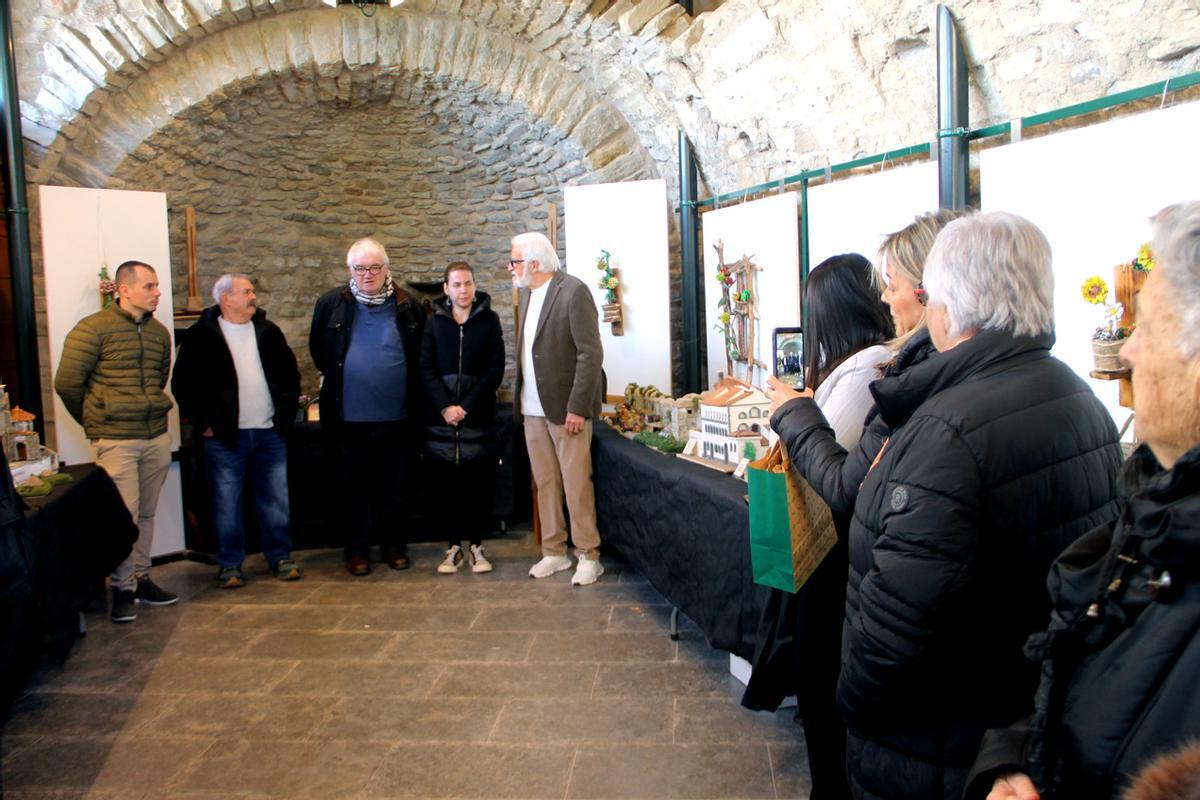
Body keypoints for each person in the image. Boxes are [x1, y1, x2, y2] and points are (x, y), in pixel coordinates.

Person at [833, 212, 1123, 800]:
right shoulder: (1078, 395)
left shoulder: (945, 430)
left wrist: (850, 702)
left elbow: (893, 628)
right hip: (1015, 725)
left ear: (949, 304)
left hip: (937, 745)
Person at [964, 202, 1200, 800]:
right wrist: (1018, 761)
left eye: (1146, 327)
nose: (1127, 353)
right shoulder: (1159, 510)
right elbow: (1086, 674)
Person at [746, 253, 894, 800]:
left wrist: (792, 410)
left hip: (833, 552)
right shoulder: (861, 365)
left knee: (821, 677)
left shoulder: (867, 368)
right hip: (837, 548)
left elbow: (832, 464)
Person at [54, 260, 178, 623]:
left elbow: (159, 378)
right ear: (124, 289)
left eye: (157, 286)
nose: (157, 293)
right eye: (150, 286)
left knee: (146, 514)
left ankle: (140, 579)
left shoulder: (158, 333)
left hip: (154, 434)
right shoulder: (92, 329)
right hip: (116, 439)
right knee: (122, 517)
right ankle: (122, 589)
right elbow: (67, 383)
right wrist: (97, 420)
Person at [172, 273, 302, 588]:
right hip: (226, 437)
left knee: (275, 500)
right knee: (226, 503)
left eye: (252, 291)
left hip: (269, 432)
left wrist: (284, 415)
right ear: (226, 298)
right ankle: (230, 564)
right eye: (246, 291)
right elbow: (183, 385)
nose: (253, 296)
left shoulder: (269, 332)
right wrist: (203, 424)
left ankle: (280, 557)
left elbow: (290, 375)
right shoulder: (202, 336)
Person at [309, 238, 424, 576]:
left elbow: (420, 353)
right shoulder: (331, 304)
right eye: (360, 268)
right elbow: (320, 351)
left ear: (387, 269)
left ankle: (394, 547)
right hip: (348, 419)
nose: (367, 274)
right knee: (352, 489)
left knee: (395, 488)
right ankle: (357, 551)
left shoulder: (409, 304)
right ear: (350, 271)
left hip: (398, 417)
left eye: (375, 267)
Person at [509, 231, 605, 586]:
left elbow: (590, 353)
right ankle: (553, 551)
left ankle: (588, 554)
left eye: (514, 260)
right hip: (532, 410)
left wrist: (578, 407)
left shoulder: (572, 291)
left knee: (576, 483)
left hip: (567, 411)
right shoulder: (529, 295)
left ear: (534, 263)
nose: (510, 267)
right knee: (545, 483)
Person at [420, 261, 505, 574]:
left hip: (476, 416)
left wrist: (465, 406)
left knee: (477, 485)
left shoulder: (489, 321)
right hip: (441, 420)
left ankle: (477, 547)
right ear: (446, 289)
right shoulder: (433, 323)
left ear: (474, 285)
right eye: (456, 285)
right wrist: (445, 407)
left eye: (468, 283)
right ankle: (452, 546)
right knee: (447, 488)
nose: (463, 290)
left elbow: (493, 371)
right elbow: (425, 370)